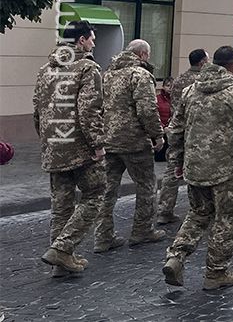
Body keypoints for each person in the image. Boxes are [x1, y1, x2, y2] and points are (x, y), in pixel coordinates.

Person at [162, 45, 233, 290]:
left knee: (198, 213)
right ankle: (216, 272)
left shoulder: (190, 91)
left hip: (195, 166)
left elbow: (175, 130)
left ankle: (176, 256)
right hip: (225, 168)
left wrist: (177, 161)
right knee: (225, 218)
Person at [33, 21, 105, 277]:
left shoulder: (45, 70)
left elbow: (37, 110)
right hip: (79, 147)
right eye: (92, 38)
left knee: (61, 204)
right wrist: (97, 144)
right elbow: (89, 110)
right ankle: (63, 249)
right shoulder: (88, 68)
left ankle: (61, 263)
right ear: (82, 40)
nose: (94, 43)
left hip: (54, 146)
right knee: (95, 195)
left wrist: (47, 140)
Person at [96, 39, 166, 252]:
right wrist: (157, 135)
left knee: (108, 189)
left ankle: (103, 236)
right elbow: (147, 109)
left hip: (110, 139)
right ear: (143, 55)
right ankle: (142, 230)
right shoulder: (140, 75)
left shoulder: (108, 74)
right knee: (146, 185)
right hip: (134, 141)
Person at [157, 48, 207, 225]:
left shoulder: (178, 80)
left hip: (177, 130)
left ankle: (164, 209)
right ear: (202, 62)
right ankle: (200, 208)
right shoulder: (202, 81)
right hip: (196, 132)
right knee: (199, 171)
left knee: (172, 171)